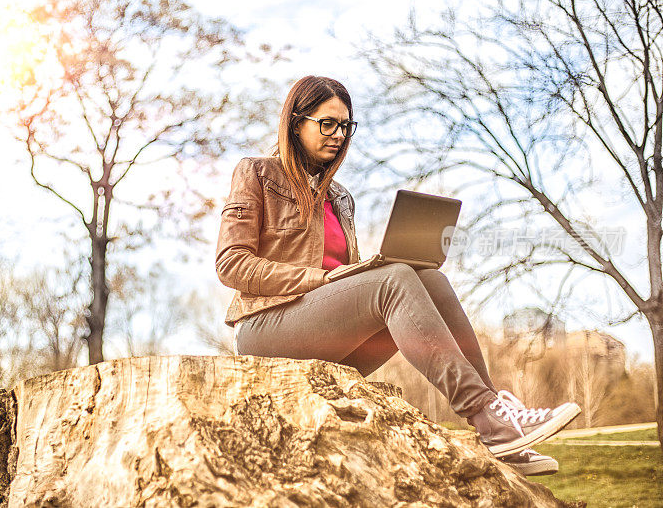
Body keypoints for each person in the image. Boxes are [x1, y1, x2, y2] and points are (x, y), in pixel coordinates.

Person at [215, 75, 579, 477]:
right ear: (296, 123)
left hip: (323, 331)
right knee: (395, 280)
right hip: (266, 328)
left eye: (346, 126)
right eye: (327, 123)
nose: (338, 135)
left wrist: (361, 272)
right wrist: (319, 280)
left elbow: (348, 283)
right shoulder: (257, 173)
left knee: (427, 278)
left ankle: (498, 428)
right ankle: (487, 415)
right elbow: (231, 264)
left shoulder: (339, 197)